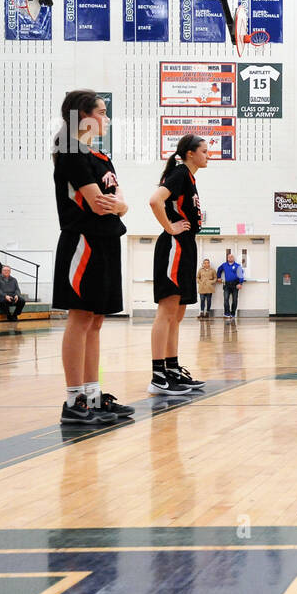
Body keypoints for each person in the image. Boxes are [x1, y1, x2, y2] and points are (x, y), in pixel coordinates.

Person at [51, 90, 134, 423]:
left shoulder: (101, 157)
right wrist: (118, 205)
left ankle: (93, 395)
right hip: (82, 240)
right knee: (81, 318)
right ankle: (74, 401)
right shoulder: (70, 151)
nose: (107, 118)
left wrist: (121, 205)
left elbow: (121, 201)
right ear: (82, 115)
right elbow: (101, 203)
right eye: (101, 111)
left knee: (97, 320)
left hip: (105, 240)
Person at [147, 134, 209, 396]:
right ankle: (158, 375)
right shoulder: (181, 173)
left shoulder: (189, 178)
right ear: (191, 153)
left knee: (179, 314)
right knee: (167, 311)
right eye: (204, 151)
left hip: (186, 246)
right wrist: (168, 226)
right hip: (174, 245)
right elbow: (154, 200)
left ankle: (172, 369)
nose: (209, 155)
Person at [217, 250, 244, 319]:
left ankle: (233, 313)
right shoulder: (224, 265)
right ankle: (227, 313)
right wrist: (219, 277)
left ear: (233, 258)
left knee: (235, 300)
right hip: (227, 285)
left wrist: (240, 283)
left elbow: (241, 275)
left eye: (231, 257)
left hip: (235, 285)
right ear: (227, 258)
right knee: (226, 299)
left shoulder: (237, 266)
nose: (230, 258)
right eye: (229, 257)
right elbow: (219, 270)